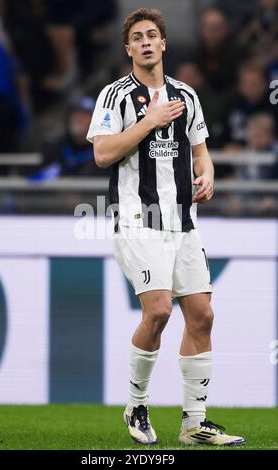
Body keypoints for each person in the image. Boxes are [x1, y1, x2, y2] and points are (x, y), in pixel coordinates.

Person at [87, 8, 245, 446]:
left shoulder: (186, 96)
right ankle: (137, 403)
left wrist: (208, 173)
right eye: (136, 37)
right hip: (139, 220)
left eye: (151, 35)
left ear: (163, 44)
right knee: (158, 311)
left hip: (184, 224)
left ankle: (194, 424)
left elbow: (201, 152)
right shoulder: (115, 96)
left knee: (202, 315)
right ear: (128, 49)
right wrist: (148, 122)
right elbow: (102, 154)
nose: (145, 43)